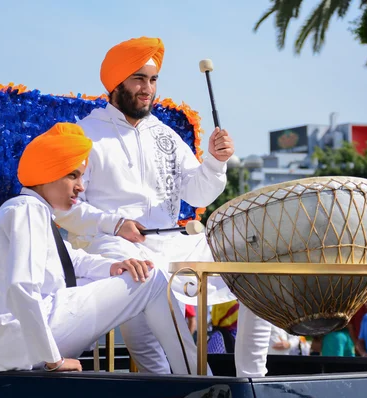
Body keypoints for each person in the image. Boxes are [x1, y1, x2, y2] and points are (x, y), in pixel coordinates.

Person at [53, 36, 272, 377]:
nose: (148, 89)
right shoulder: (85, 135)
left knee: (257, 268)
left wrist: (214, 162)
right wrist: (114, 223)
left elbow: (198, 194)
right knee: (144, 279)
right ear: (116, 83)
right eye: (139, 78)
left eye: (153, 80)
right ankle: (197, 382)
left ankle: (253, 380)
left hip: (174, 242)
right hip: (115, 243)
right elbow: (64, 208)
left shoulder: (166, 135)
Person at [0, 123, 199, 389]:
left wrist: (116, 266)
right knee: (152, 280)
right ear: (47, 174)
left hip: (11, 343)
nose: (81, 187)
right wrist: (53, 360)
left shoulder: (24, 209)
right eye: (73, 176)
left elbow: (71, 260)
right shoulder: (27, 210)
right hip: (22, 342)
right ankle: (200, 381)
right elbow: (22, 287)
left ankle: (172, 381)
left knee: (138, 273)